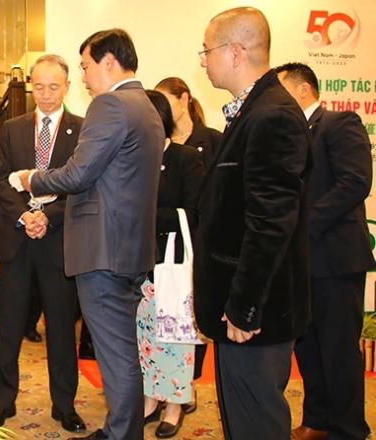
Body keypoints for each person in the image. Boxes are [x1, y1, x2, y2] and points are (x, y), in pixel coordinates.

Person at [17, 28, 164, 440]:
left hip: (103, 251)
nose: (83, 77)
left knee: (116, 353)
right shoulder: (147, 106)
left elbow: (79, 172)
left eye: (84, 66)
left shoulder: (111, 104)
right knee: (123, 349)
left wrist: (32, 179)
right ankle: (122, 427)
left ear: (109, 63)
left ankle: (122, 433)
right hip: (127, 249)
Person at [194, 7, 311, 439]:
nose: (203, 60)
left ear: (235, 51)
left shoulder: (273, 115)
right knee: (240, 421)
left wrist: (244, 307)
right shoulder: (253, 111)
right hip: (240, 310)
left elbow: (270, 224)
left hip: (255, 315)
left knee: (256, 423)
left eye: (206, 50)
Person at [0, 54, 85, 432]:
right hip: (17, 240)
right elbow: (0, 181)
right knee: (9, 325)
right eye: (39, 86)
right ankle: (2, 401)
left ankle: (65, 405)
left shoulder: (83, 129)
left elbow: (82, 186)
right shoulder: (11, 128)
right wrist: (25, 216)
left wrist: (49, 216)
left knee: (60, 327)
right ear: (30, 85)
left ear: (67, 87)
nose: (45, 94)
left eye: (54, 86)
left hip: (58, 242)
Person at [276, 62, 374, 440]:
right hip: (301, 261)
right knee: (309, 345)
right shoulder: (290, 134)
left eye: (283, 91)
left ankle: (349, 429)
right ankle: (317, 420)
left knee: (338, 348)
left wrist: (305, 224)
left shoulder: (339, 122)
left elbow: (355, 182)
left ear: (303, 90)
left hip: (335, 257)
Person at [138, 90, 204, 438]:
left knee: (175, 337)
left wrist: (146, 216)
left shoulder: (186, 157)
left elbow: (193, 212)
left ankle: (176, 403)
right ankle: (151, 398)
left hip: (173, 262)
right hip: (139, 263)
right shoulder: (134, 157)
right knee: (147, 336)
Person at [154, 76, 222, 412]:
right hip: (151, 255)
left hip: (186, 250)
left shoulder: (208, 143)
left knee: (183, 323)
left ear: (184, 100)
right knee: (154, 328)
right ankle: (157, 393)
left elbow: (203, 207)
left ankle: (182, 393)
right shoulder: (149, 152)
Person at [155, 77, 222, 170]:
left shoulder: (213, 140)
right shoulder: (160, 145)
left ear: (184, 99)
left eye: (165, 102)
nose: (160, 109)